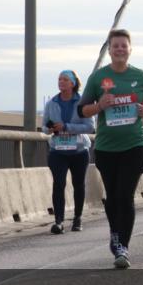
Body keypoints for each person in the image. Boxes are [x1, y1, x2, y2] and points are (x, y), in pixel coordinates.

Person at [78, 30, 143, 269]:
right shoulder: (98, 78)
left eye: (124, 45)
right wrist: (99, 105)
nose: (120, 49)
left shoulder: (140, 76)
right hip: (106, 147)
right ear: (109, 49)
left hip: (136, 145)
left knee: (125, 196)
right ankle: (115, 232)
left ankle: (122, 247)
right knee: (113, 197)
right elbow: (82, 111)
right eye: (116, 46)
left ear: (130, 49)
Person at [43, 70, 95, 234]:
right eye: (59, 79)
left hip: (79, 150)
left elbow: (90, 127)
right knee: (58, 184)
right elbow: (44, 127)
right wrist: (50, 128)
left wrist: (66, 127)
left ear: (73, 83)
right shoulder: (52, 103)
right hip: (58, 150)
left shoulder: (82, 103)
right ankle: (58, 221)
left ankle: (78, 218)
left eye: (65, 79)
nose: (61, 82)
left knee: (78, 184)